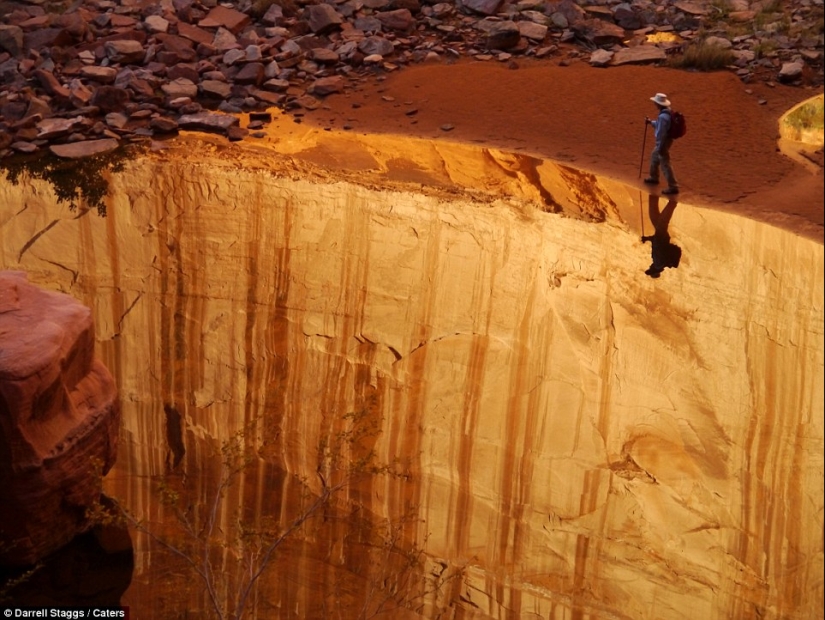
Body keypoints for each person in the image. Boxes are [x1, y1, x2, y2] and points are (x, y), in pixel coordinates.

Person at [644, 93, 679, 195]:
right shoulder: (666, 113)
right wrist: (651, 122)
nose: (654, 104)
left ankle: (673, 186)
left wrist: (659, 146)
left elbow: (661, 133)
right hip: (665, 141)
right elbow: (659, 125)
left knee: (665, 163)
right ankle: (654, 177)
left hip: (663, 142)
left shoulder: (663, 116)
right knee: (654, 156)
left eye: (655, 102)